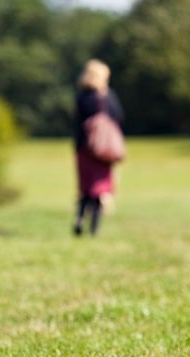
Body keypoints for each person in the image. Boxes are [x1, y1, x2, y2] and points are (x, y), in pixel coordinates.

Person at [72, 59, 124, 237]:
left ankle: (79, 218)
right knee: (99, 189)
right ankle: (94, 228)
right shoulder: (106, 96)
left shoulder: (81, 96)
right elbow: (118, 116)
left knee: (86, 187)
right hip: (102, 151)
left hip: (83, 147)